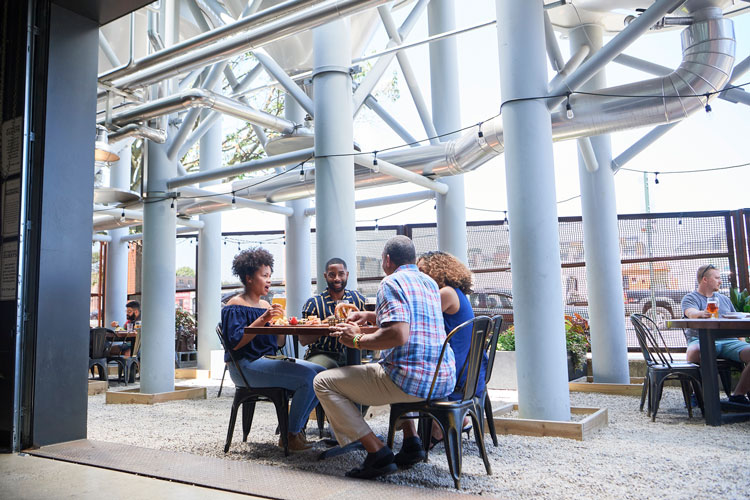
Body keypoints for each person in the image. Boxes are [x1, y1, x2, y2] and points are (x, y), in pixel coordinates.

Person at [313, 235, 456, 479]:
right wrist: (369, 317)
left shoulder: (390, 283)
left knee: (324, 382)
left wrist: (356, 339)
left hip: (411, 382)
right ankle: (412, 443)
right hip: (441, 379)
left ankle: (377, 453)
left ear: (387, 260)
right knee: (391, 364)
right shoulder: (429, 283)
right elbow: (409, 321)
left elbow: (398, 334)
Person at [221, 247, 326, 451]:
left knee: (321, 374)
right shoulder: (235, 304)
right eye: (265, 276)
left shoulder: (264, 304)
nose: (269, 280)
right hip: (244, 366)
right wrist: (264, 319)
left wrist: (281, 323)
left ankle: (296, 430)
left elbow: (277, 344)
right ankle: (291, 434)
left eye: (270, 276)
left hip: (267, 360)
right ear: (249, 278)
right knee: (307, 378)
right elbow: (235, 343)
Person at [413, 250, 487, 448]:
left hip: (455, 372)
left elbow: (417, 318)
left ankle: (429, 431)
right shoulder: (457, 293)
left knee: (403, 374)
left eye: (421, 270)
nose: (418, 275)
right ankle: (457, 420)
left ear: (435, 270)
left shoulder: (445, 293)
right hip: (468, 369)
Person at [682, 264, 750, 404]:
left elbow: (736, 319)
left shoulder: (724, 299)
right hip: (701, 339)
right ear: (705, 279)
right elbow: (690, 313)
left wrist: (741, 342)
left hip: (728, 341)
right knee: (694, 351)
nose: (720, 281)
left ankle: (738, 395)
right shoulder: (690, 298)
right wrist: (702, 313)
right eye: (717, 278)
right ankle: (698, 394)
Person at [301, 258, 366, 369]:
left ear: (347, 275)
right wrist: (326, 324)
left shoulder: (358, 299)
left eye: (341, 274)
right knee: (320, 367)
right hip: (322, 353)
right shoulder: (313, 303)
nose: (337, 279)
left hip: (354, 352)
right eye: (332, 275)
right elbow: (303, 340)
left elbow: (369, 326)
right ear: (325, 276)